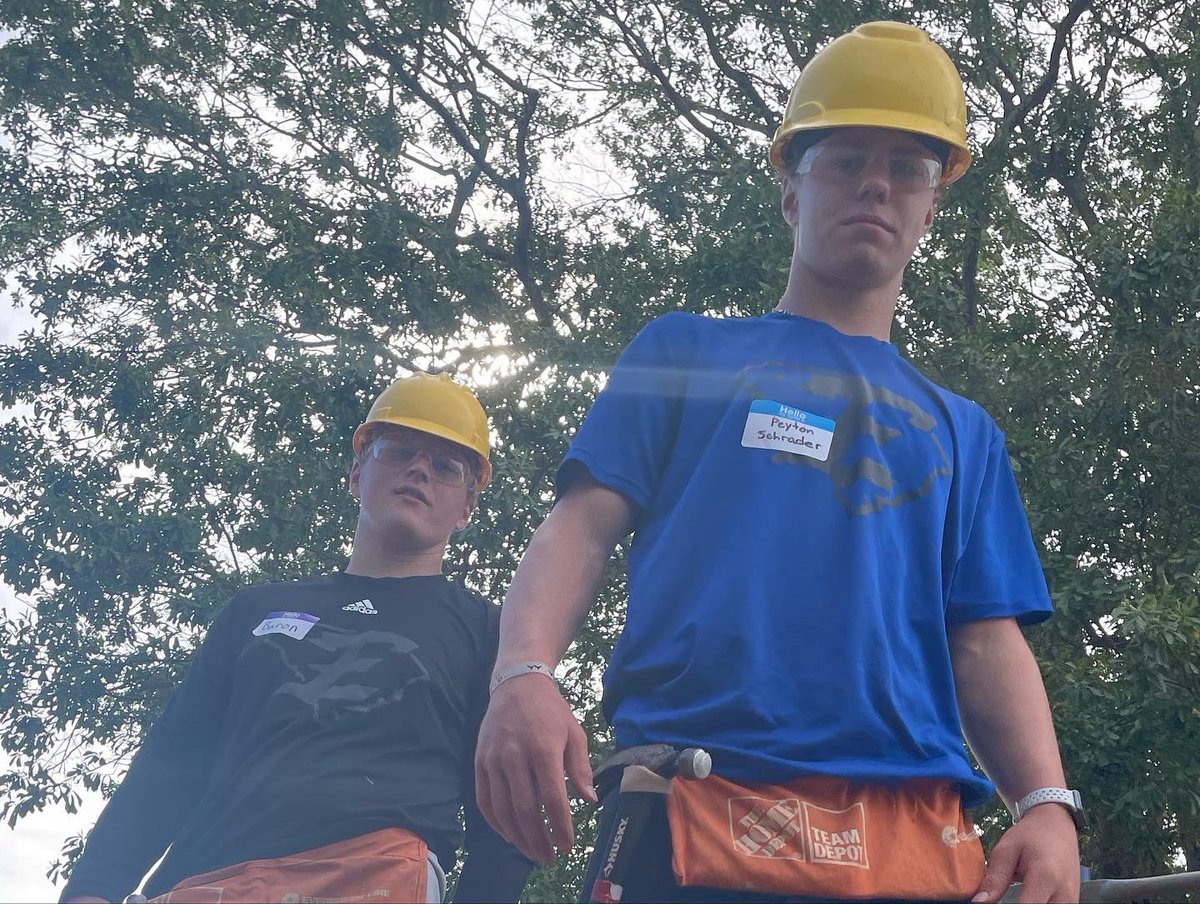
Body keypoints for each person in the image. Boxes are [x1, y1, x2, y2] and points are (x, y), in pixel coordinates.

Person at [475, 21, 1082, 904]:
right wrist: (523, 671)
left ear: (930, 206)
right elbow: (583, 527)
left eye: (907, 167)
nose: (875, 182)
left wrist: (1047, 804)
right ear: (792, 191)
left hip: (915, 840)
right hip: (698, 807)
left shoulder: (965, 430)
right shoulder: (684, 351)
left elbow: (985, 638)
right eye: (843, 161)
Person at [61, 372, 532, 904]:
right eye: (398, 450)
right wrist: (94, 890)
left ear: (467, 506)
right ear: (357, 473)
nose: (419, 469)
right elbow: (170, 760)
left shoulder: (489, 632)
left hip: (371, 876)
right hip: (204, 882)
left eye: (446, 465)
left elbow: (507, 814)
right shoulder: (254, 610)